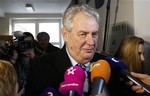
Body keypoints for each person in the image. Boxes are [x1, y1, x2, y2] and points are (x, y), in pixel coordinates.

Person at [25, 4, 107, 96]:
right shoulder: (40, 68)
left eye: (94, 34)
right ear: (65, 35)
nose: (91, 42)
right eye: (83, 34)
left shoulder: (109, 66)